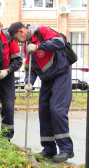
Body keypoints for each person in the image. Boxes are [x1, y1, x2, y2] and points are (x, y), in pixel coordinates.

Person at [7, 22, 74, 162]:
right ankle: (49, 149)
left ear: (21, 31)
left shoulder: (41, 31)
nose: (17, 42)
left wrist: (38, 46)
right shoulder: (26, 47)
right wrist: (29, 83)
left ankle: (66, 149)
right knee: (44, 110)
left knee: (57, 109)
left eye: (16, 38)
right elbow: (30, 69)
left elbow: (59, 43)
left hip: (61, 74)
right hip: (47, 79)